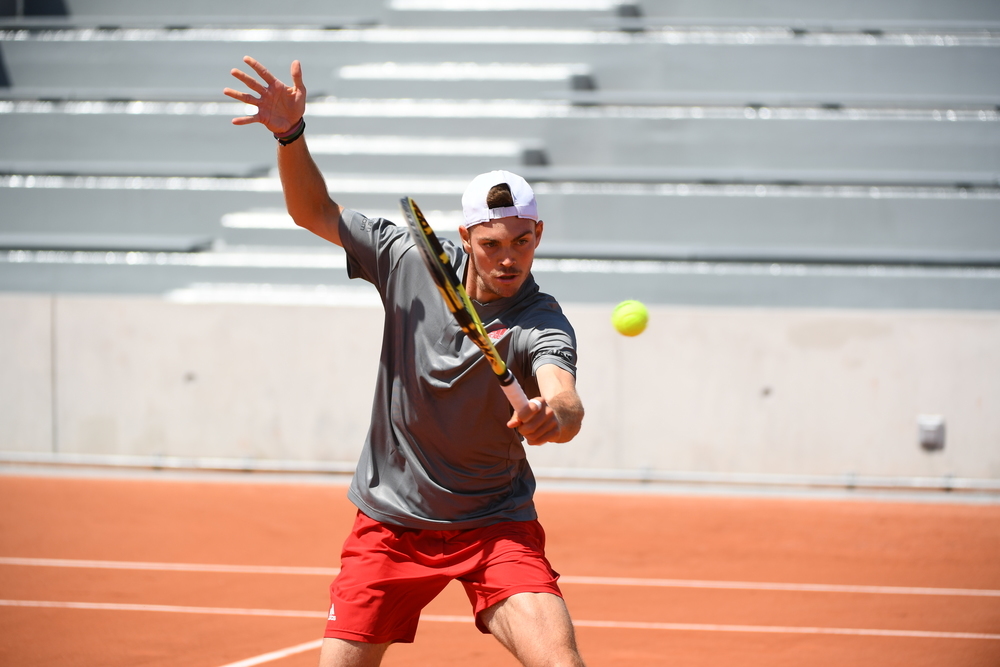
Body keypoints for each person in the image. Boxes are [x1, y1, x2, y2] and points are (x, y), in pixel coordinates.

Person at [225, 56, 586, 667]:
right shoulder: (408, 257)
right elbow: (313, 212)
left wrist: (555, 414)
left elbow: (565, 394)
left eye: (522, 241)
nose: (508, 259)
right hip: (390, 522)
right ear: (465, 237)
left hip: (493, 524)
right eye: (492, 244)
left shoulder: (540, 319)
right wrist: (291, 135)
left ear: (539, 234)